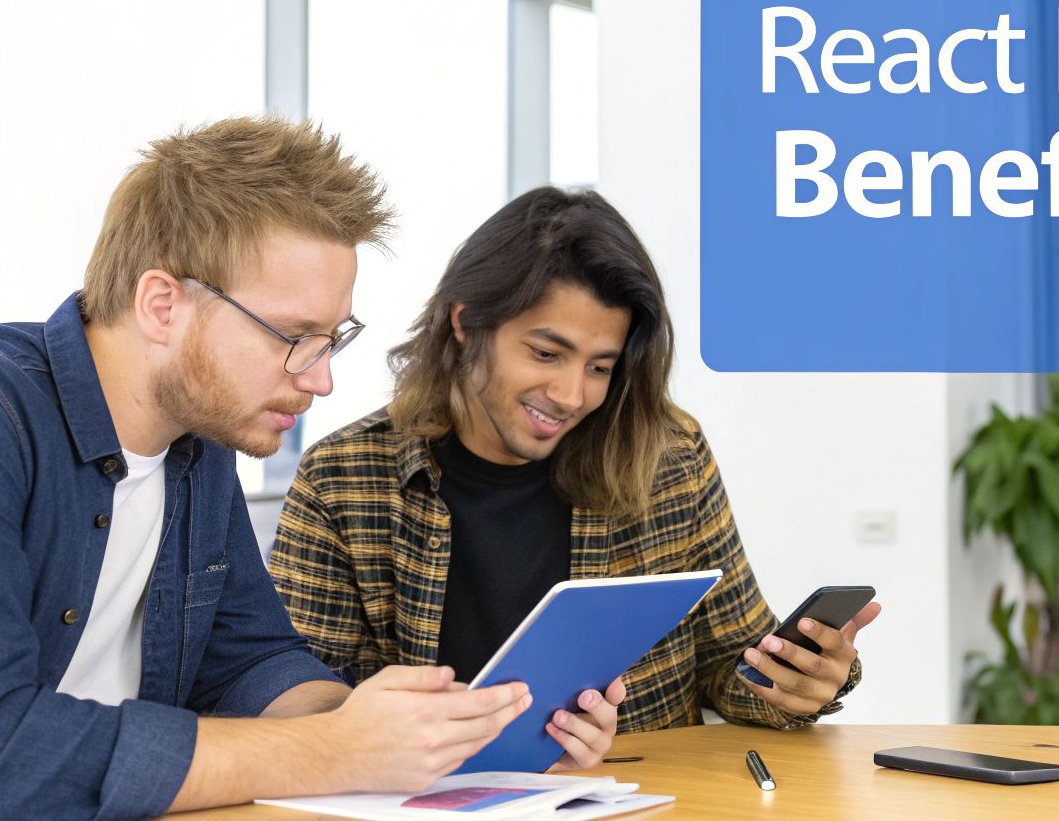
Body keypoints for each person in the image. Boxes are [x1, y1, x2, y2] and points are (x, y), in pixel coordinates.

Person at [0, 118, 530, 821]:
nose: (320, 379)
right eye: (293, 336)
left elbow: (249, 663)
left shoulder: (195, 445)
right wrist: (331, 751)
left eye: (331, 339)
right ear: (162, 303)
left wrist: (403, 731)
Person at [269, 187, 881, 770]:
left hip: (638, 794)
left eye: (600, 367)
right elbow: (291, 694)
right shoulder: (343, 478)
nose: (569, 395)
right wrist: (409, 731)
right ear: (465, 323)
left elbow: (729, 668)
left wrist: (796, 683)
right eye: (545, 353)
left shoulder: (669, 456)